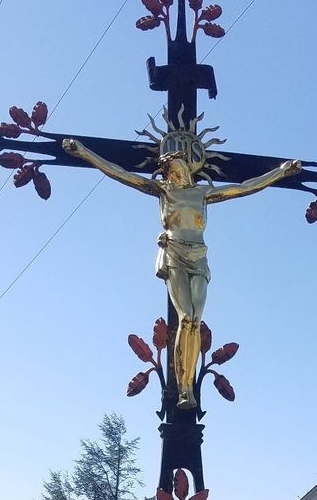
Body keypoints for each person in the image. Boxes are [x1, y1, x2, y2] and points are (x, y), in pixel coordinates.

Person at [63, 138, 300, 408]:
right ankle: (185, 388)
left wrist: (281, 172)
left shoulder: (202, 194)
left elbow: (245, 187)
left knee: (196, 320)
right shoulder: (164, 192)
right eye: (174, 170)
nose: (179, 172)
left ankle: (188, 383)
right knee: (185, 317)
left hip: (199, 256)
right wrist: (84, 153)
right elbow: (121, 173)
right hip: (174, 253)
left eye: (181, 167)